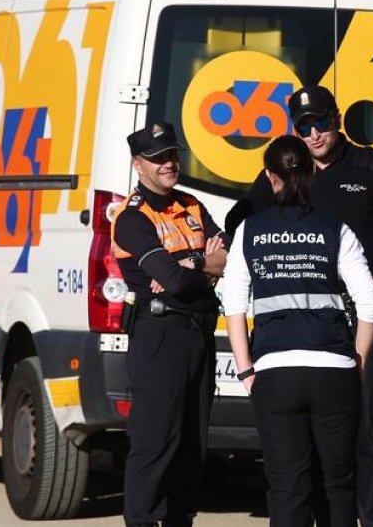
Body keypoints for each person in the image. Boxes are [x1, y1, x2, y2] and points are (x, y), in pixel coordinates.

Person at [225, 84, 373, 527]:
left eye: (321, 122)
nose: (314, 134)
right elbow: (241, 218)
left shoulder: (371, 166)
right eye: (304, 126)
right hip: (300, 333)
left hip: (358, 324)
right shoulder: (287, 169)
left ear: (338, 118)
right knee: (304, 450)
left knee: (369, 429)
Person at [223, 135, 373, 527]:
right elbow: (371, 304)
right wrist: (357, 362)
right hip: (333, 371)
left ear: (269, 177)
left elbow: (234, 304)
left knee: (287, 485)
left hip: (275, 374)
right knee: (339, 482)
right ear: (312, 173)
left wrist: (246, 371)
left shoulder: (249, 230)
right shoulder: (336, 229)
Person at [111, 121, 229, 527]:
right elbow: (175, 282)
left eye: (172, 155)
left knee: (191, 445)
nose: (168, 164)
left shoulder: (192, 205)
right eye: (158, 158)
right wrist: (201, 266)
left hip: (198, 333)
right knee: (156, 443)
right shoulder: (131, 218)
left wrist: (190, 264)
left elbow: (225, 258)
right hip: (160, 336)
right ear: (137, 165)